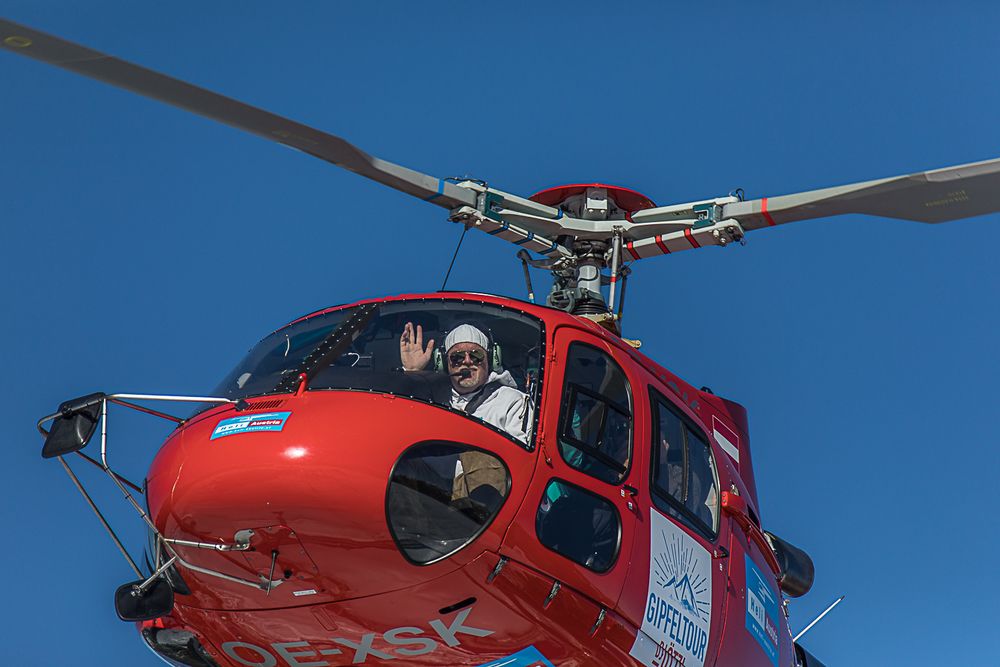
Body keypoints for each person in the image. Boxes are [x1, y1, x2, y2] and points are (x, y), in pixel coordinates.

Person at [399, 322, 532, 444]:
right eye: (457, 357)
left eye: (476, 355)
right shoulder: (428, 400)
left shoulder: (512, 402)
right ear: (443, 363)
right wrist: (412, 374)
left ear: (491, 360)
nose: (467, 361)